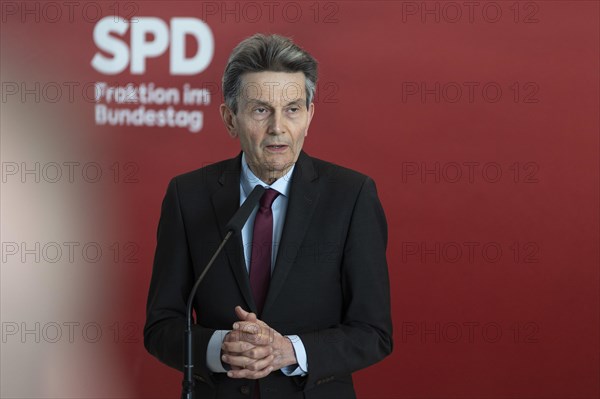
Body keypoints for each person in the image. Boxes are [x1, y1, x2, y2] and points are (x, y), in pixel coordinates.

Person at [144, 33, 393, 399]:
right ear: (231, 119)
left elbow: (374, 332)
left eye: (292, 109)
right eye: (261, 110)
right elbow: (161, 326)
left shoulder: (352, 196)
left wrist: (289, 350)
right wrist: (220, 347)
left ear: (309, 117)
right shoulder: (188, 196)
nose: (278, 127)